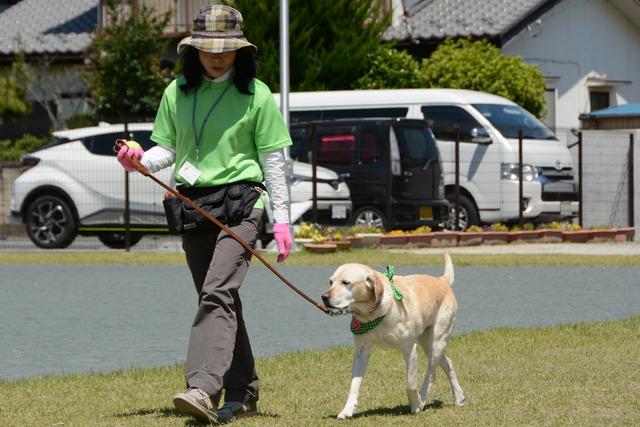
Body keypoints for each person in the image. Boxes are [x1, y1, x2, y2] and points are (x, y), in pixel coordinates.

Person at [116, 4, 292, 424]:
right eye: (208, 49)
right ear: (193, 51)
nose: (216, 56)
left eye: (226, 49)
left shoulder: (258, 95)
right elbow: (169, 151)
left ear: (240, 51)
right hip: (193, 203)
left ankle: (202, 388)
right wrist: (138, 158)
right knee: (220, 297)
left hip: (243, 203)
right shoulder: (177, 91)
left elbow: (273, 164)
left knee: (217, 292)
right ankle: (244, 391)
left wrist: (282, 219)